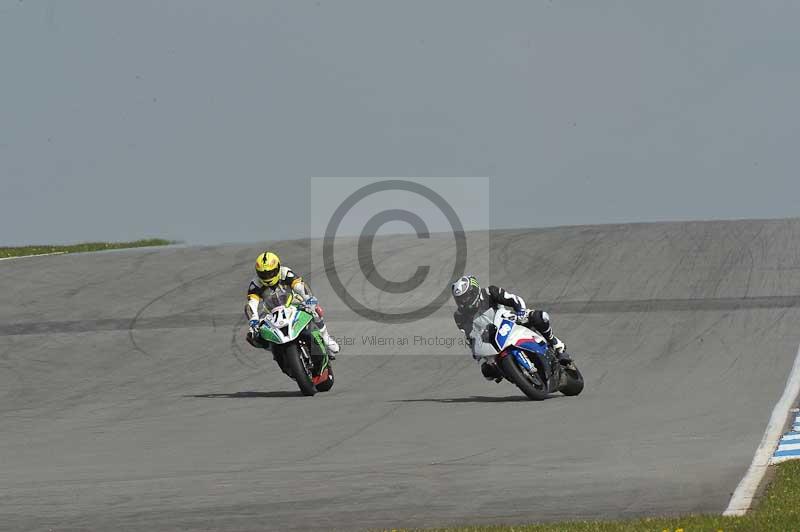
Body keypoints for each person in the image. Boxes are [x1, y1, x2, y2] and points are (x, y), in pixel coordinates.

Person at [451, 275, 566, 382]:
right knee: (488, 372)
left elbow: (514, 299)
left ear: (474, 291)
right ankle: (516, 377)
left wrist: (521, 312)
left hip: (508, 320)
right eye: (460, 299)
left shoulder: (490, 292)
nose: (464, 301)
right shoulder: (460, 316)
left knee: (539, 317)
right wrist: (477, 352)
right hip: (489, 338)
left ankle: (555, 343)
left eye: (466, 297)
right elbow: (469, 335)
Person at [245, 251, 340, 356]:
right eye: (263, 274)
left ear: (278, 268)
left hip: (293, 302)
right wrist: (253, 320)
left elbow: (299, 285)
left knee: (316, 310)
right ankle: (276, 351)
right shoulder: (255, 284)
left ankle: (326, 338)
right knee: (253, 335)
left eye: (270, 273)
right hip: (270, 311)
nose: (267, 277)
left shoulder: (285, 273)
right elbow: (251, 304)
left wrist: (309, 299)